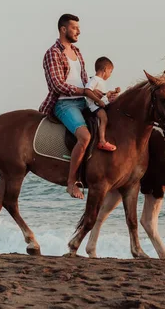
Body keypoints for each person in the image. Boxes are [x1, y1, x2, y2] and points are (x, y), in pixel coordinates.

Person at [39, 13, 104, 200]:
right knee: (84, 136)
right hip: (63, 103)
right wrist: (84, 92)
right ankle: (71, 182)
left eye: (78, 28)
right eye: (75, 28)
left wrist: (98, 93)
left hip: (83, 100)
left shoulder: (77, 52)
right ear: (63, 29)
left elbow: (84, 82)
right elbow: (57, 85)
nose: (79, 31)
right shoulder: (53, 53)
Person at [84, 56, 121, 152]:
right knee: (104, 118)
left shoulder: (100, 81)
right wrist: (98, 100)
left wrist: (113, 92)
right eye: (110, 71)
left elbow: (104, 94)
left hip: (99, 104)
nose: (110, 74)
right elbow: (87, 91)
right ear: (105, 70)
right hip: (94, 106)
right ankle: (102, 141)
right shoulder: (95, 79)